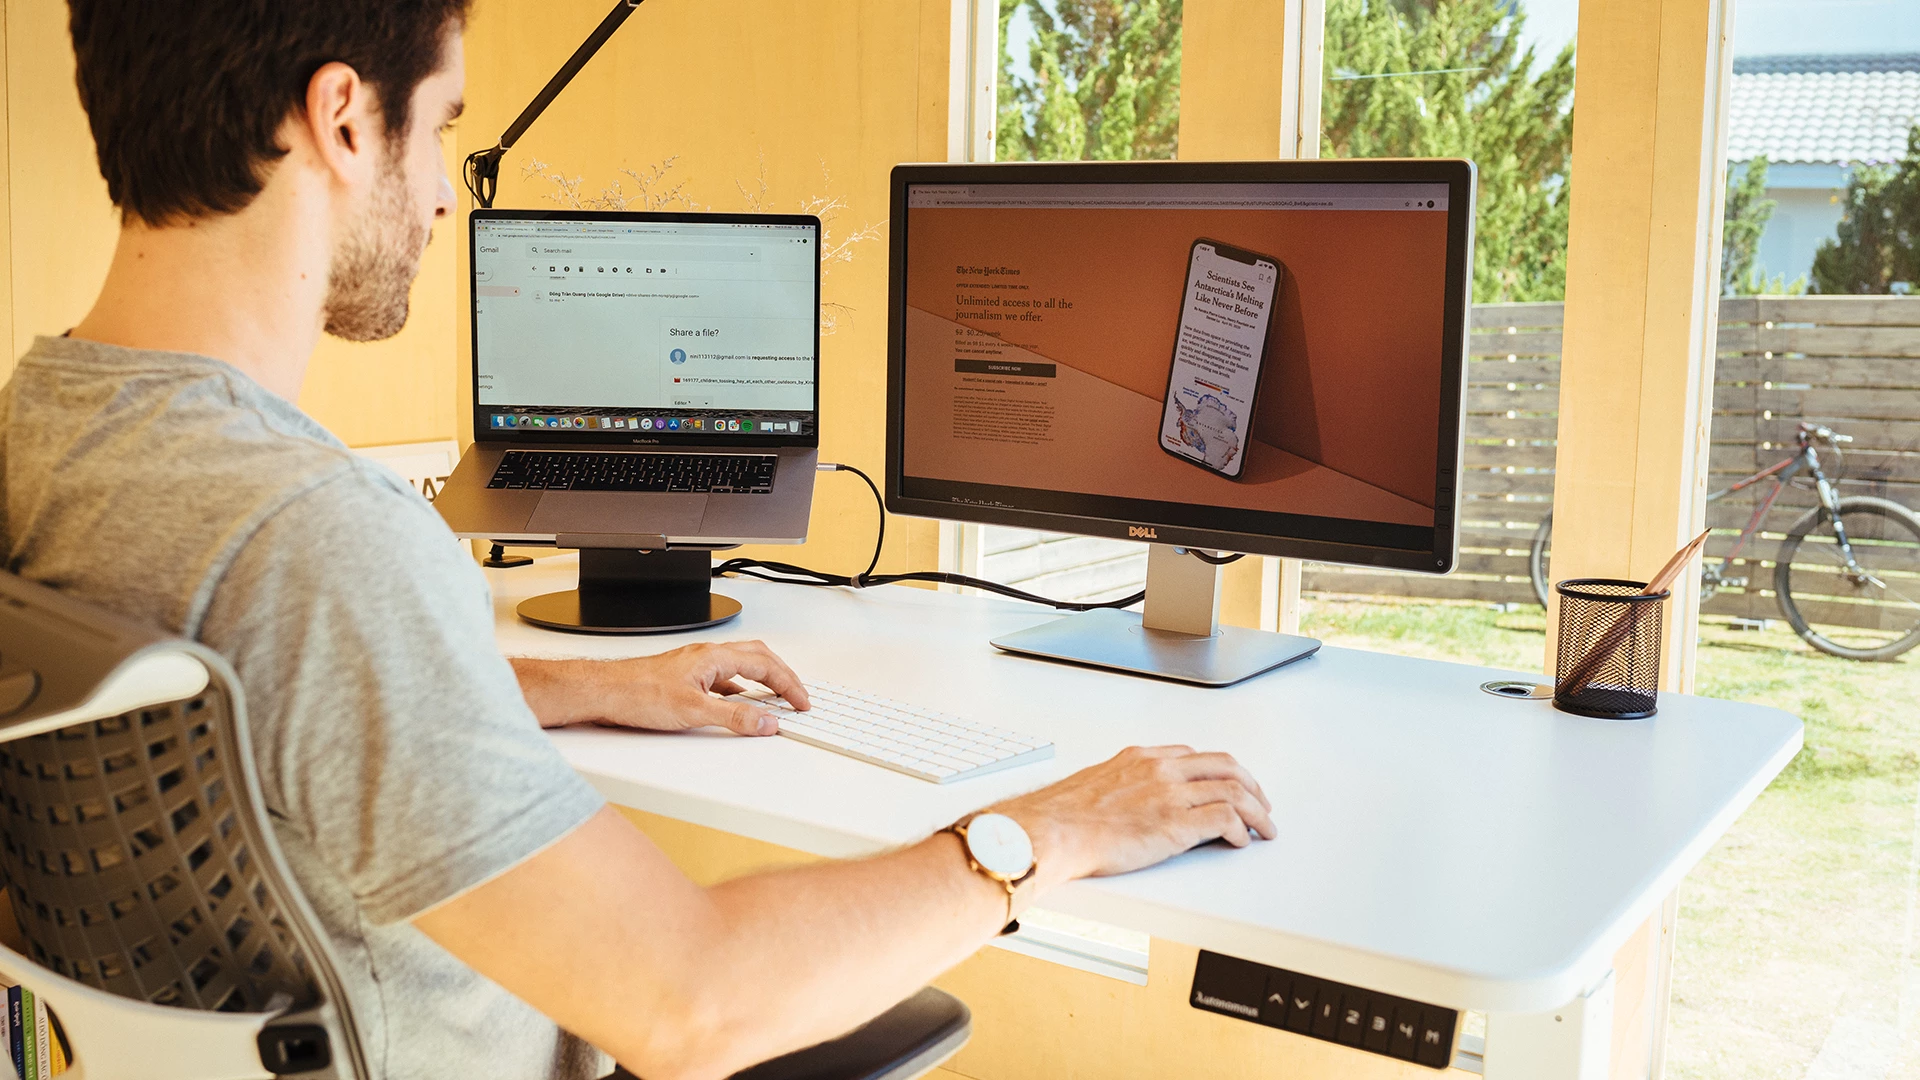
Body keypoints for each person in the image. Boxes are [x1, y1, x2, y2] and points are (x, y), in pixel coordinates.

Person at [1, 4, 1277, 1079]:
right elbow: (688, 1003)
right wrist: (1046, 831)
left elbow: (257, 699)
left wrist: (581, 687)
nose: (446, 191)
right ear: (344, 118)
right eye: (440, 123)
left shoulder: (42, 436)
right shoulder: (323, 540)